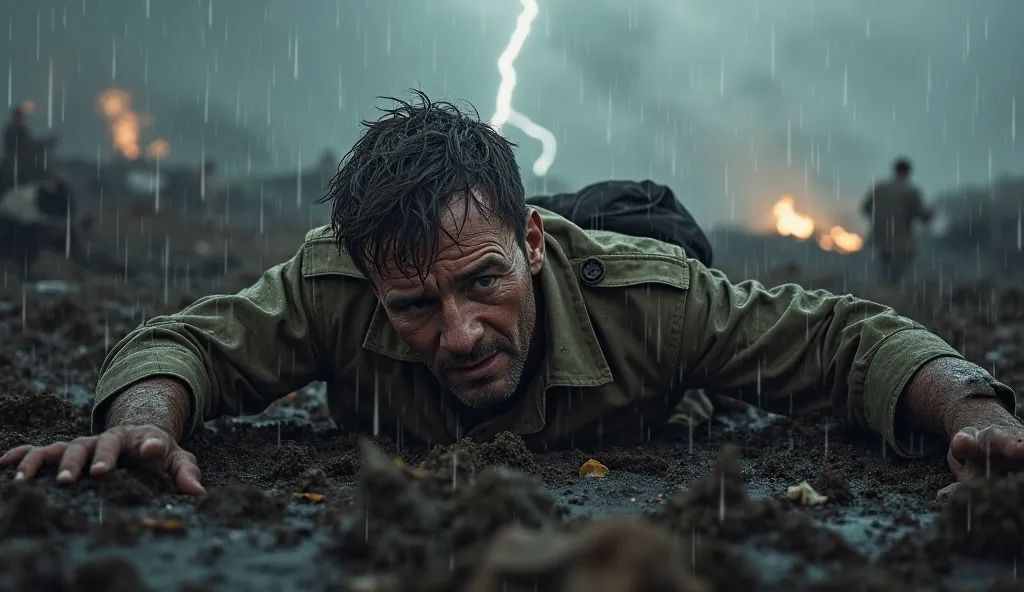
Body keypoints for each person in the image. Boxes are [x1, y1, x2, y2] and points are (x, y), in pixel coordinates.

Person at [2, 92, 1021, 499]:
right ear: (368, 282)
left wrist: (974, 414)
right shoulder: (334, 284)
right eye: (413, 305)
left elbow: (846, 338)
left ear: (529, 244)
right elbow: (193, 342)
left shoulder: (653, 301)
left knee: (713, 373)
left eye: (481, 282)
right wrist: (142, 425)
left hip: (631, 258)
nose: (457, 334)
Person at [860, 157, 933, 285]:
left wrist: (880, 220)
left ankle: (881, 293)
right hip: (901, 240)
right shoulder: (911, 191)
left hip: (879, 237)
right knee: (897, 271)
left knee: (883, 268)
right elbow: (923, 216)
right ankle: (890, 293)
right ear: (907, 172)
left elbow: (865, 208)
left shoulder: (879, 188)